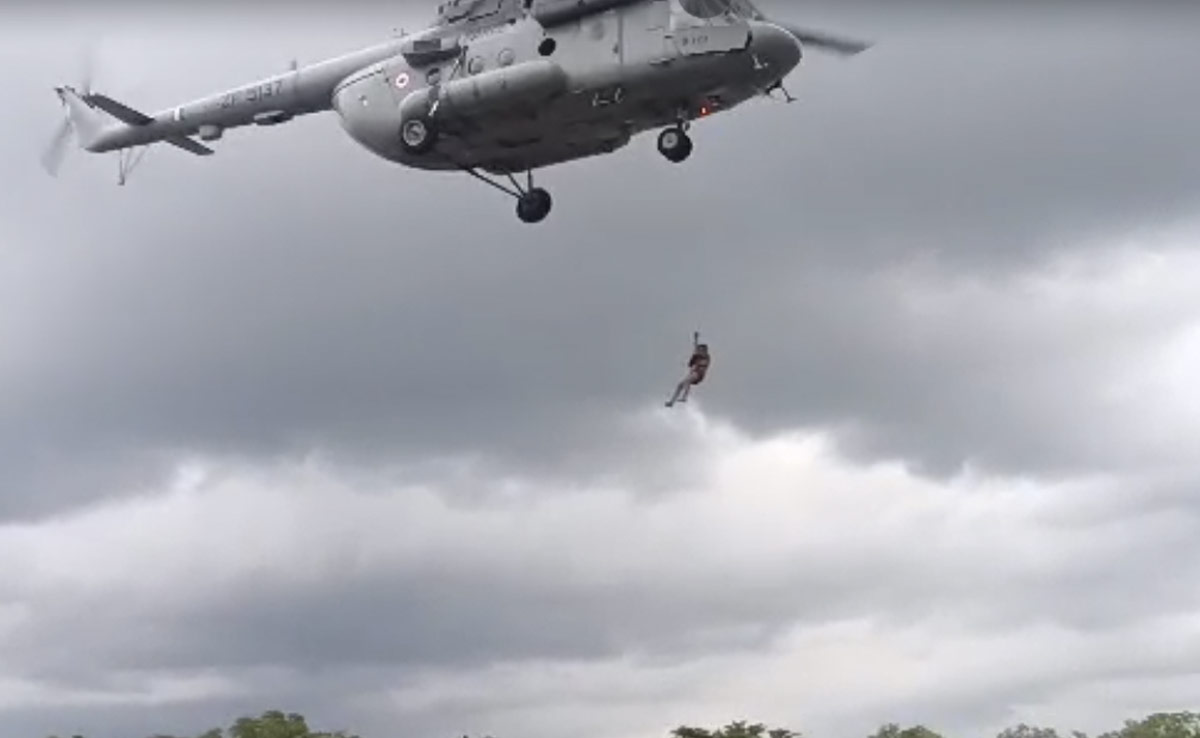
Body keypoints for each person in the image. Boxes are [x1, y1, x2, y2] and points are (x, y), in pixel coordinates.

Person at [666, 332, 711, 408]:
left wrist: (697, 365)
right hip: (693, 373)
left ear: (704, 350)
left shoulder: (706, 356)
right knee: (680, 385)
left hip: (699, 374)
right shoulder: (697, 355)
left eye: (701, 350)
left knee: (688, 381)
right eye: (699, 350)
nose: (699, 351)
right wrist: (696, 338)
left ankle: (684, 397)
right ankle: (671, 402)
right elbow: (695, 346)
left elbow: (702, 361)